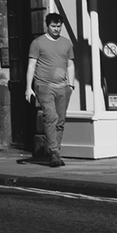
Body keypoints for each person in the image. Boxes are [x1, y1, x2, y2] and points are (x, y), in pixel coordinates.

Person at [20, 11, 75, 165]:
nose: (56, 29)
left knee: (60, 121)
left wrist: (71, 84)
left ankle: (55, 149)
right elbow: (31, 66)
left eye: (58, 26)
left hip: (63, 86)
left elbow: (70, 64)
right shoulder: (37, 43)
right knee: (50, 117)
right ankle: (54, 153)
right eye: (53, 26)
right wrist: (28, 88)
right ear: (47, 26)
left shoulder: (67, 43)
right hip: (44, 86)